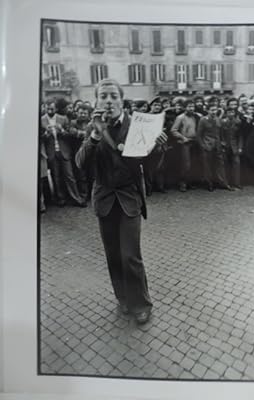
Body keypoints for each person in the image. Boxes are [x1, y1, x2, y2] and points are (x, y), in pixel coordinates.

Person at [75, 78, 167, 324]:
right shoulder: (92, 127)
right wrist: (94, 136)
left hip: (129, 198)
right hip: (105, 198)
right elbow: (81, 164)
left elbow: (147, 168)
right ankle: (123, 298)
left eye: (113, 96)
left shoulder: (137, 125)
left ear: (121, 100)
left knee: (130, 255)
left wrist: (157, 150)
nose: (108, 101)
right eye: (103, 96)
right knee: (113, 254)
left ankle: (141, 304)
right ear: (96, 101)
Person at [40, 99, 86, 207]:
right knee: (56, 177)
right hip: (51, 152)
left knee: (70, 176)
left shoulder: (63, 119)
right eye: (48, 108)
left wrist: (62, 131)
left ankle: (76, 198)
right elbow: (41, 138)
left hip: (64, 151)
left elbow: (69, 135)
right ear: (45, 108)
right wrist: (46, 133)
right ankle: (61, 199)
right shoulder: (41, 120)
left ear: (56, 108)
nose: (50, 110)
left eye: (52, 108)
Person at [197, 101, 232, 192]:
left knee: (220, 165)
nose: (213, 112)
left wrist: (222, 142)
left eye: (215, 110)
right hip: (207, 145)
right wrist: (203, 145)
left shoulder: (218, 119)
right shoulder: (203, 120)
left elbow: (220, 133)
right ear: (208, 110)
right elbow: (199, 135)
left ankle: (223, 183)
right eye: (212, 110)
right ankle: (209, 184)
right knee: (207, 165)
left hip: (218, 146)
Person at [170, 99, 200, 192]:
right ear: (185, 108)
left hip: (194, 142)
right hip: (185, 143)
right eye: (189, 106)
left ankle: (189, 182)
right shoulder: (180, 117)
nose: (191, 108)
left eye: (193, 106)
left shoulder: (196, 117)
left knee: (193, 164)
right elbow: (173, 130)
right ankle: (182, 183)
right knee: (185, 164)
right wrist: (183, 138)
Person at [221, 108, 243, 190]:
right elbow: (220, 134)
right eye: (229, 112)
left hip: (235, 147)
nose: (231, 114)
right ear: (226, 113)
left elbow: (240, 136)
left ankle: (237, 183)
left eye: (232, 112)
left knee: (236, 164)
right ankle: (227, 183)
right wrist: (222, 143)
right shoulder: (222, 122)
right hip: (225, 147)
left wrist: (240, 147)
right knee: (226, 165)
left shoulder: (238, 122)